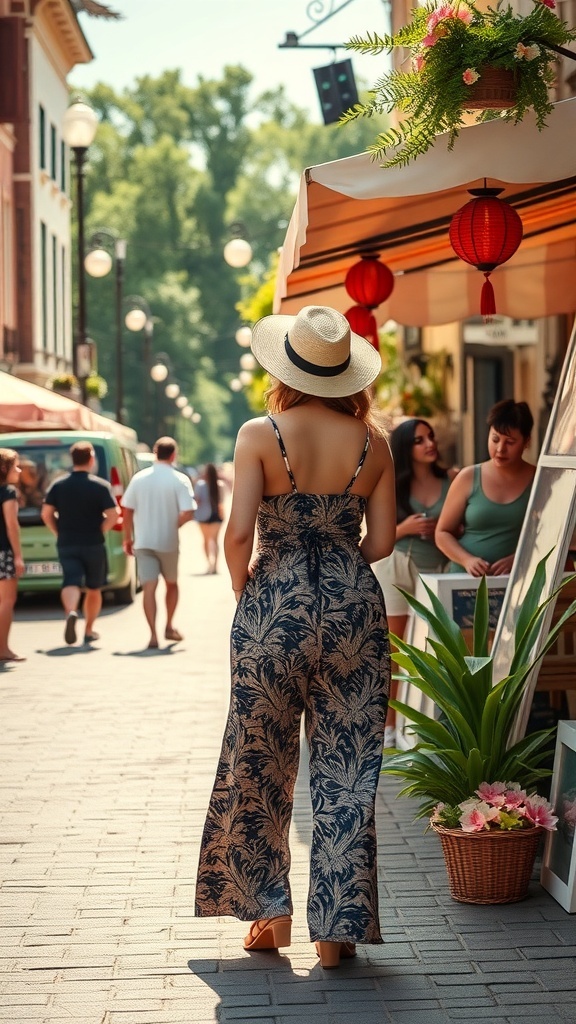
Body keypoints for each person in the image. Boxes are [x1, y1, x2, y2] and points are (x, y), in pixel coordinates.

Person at [195, 305, 396, 970]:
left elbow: (235, 535)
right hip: (353, 614)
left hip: (271, 609)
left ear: (287, 368)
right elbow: (384, 541)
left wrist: (243, 587)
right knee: (347, 773)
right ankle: (336, 933)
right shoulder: (375, 441)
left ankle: (269, 918)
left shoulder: (260, 433)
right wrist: (336, 565)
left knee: (259, 763)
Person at [372, 418, 458, 747]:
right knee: (394, 651)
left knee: (434, 652)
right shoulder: (392, 482)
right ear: (406, 448)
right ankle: (390, 726)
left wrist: (446, 529)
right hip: (396, 568)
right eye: (419, 440)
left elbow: (462, 528)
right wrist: (406, 528)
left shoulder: (452, 480)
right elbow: (377, 536)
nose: (429, 444)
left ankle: (429, 727)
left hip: (437, 570)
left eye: (431, 437)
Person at [435, 399, 536, 576]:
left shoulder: (539, 480)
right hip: (464, 579)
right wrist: (467, 560)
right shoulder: (468, 477)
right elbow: (442, 533)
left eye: (510, 442)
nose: (500, 449)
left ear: (526, 441)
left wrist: (518, 558)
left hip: (518, 581)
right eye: (495, 439)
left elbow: (553, 536)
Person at [41, 442, 120, 645]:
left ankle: (71, 612)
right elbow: (114, 514)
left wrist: (57, 531)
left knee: (71, 580)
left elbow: (46, 513)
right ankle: (89, 630)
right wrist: (100, 528)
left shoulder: (58, 485)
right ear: (91, 459)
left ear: (72, 459)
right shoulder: (100, 486)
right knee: (94, 587)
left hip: (67, 542)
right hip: (93, 542)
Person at [122, 436, 196, 649]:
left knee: (148, 588)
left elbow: (126, 509)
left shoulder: (139, 478)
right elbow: (189, 511)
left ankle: (153, 635)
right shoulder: (179, 479)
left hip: (143, 541)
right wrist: (174, 525)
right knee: (171, 583)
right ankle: (169, 626)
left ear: (155, 453)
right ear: (173, 454)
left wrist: (128, 537)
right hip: (168, 542)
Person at [0, 449, 25, 662]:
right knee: (7, 601)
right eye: (16, 465)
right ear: (3, 468)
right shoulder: (8, 492)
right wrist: (18, 556)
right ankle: (3, 649)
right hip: (3, 552)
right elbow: (11, 525)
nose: (19, 470)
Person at [194, 463, 226, 574]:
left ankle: (210, 564)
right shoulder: (220, 485)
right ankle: (215, 566)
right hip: (216, 516)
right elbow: (221, 502)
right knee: (215, 540)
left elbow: (196, 501)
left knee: (206, 540)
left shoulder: (200, 485)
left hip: (203, 515)